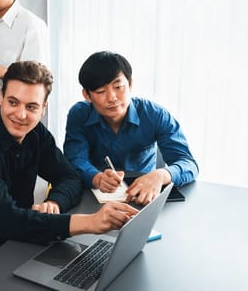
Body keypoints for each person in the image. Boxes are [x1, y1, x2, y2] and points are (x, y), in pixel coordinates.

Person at [0, 61, 138, 254]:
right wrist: (89, 223)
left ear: (43, 108)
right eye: (13, 102)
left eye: (31, 107)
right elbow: (5, 220)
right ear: (1, 98)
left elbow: (69, 176)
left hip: (22, 239)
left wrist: (54, 203)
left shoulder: (35, 132)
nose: (21, 115)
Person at [64, 51, 199, 206]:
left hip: (144, 197)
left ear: (130, 84)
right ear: (87, 95)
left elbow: (188, 163)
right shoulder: (79, 114)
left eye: (118, 87)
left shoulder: (155, 114)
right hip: (95, 197)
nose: (112, 97)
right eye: (101, 92)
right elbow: (75, 159)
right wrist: (96, 177)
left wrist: (161, 175)